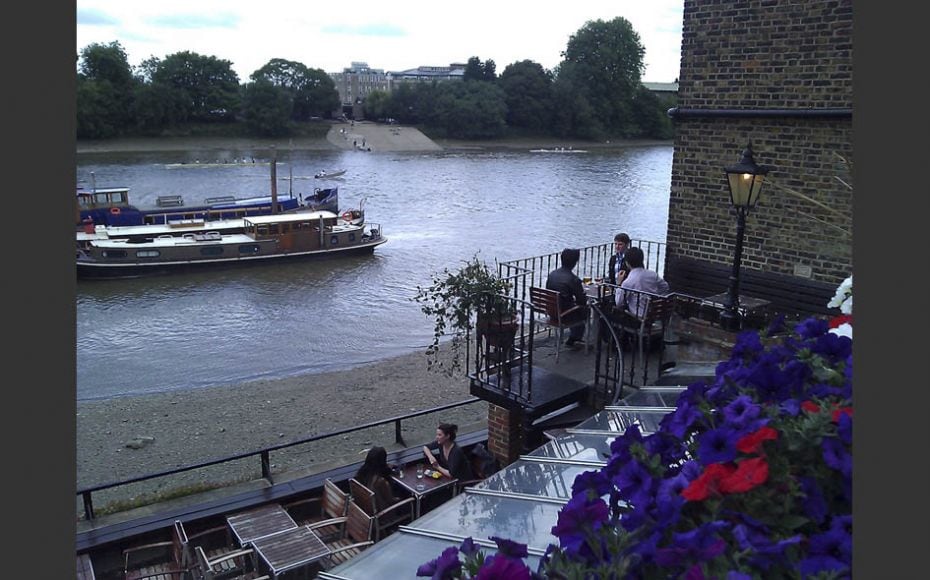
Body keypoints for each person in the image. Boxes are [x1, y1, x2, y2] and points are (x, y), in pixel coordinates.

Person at [545, 248, 588, 347]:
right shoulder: (573, 279)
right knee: (585, 310)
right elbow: (582, 301)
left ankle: (574, 337)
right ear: (575, 262)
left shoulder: (552, 274)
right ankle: (575, 338)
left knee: (576, 308)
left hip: (552, 311)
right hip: (564, 315)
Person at [615, 246, 671, 318]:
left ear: (627, 263)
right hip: (653, 314)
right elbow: (665, 287)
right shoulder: (653, 274)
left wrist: (619, 284)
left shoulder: (628, 282)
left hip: (636, 317)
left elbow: (618, 303)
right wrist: (654, 295)